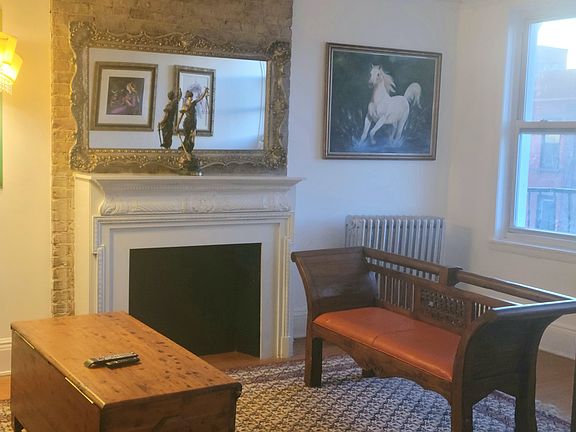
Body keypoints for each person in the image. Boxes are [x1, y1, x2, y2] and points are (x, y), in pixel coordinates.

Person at [178, 87, 209, 153]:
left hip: (193, 122)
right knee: (187, 136)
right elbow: (181, 116)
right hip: (187, 122)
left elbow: (200, 98)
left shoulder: (194, 103)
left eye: (191, 97)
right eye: (189, 97)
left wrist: (205, 92)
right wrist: (177, 125)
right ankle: (185, 147)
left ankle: (189, 148)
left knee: (192, 136)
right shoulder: (185, 105)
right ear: (187, 98)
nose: (191, 98)